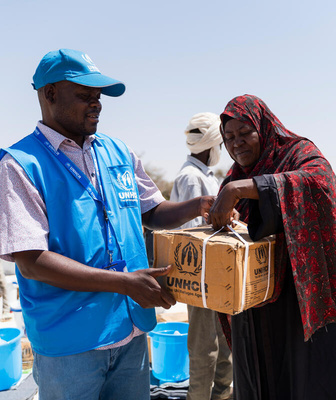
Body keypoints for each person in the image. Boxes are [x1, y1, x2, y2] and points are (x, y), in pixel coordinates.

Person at [0, 49, 214, 400]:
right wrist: (124, 283)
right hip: (70, 344)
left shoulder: (117, 152)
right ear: (50, 94)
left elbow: (153, 212)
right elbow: (31, 262)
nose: (96, 104)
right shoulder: (21, 165)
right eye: (85, 96)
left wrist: (201, 205)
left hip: (130, 329)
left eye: (98, 97)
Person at [208, 94, 336, 400]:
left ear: (264, 128)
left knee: (316, 382)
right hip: (260, 309)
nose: (237, 143)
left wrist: (244, 189)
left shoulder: (298, 153)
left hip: (309, 300)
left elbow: (321, 181)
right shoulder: (234, 176)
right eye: (229, 137)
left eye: (245, 133)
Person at [170, 112, 233, 400]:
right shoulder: (191, 178)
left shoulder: (205, 175)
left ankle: (221, 395)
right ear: (212, 145)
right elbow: (194, 234)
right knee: (204, 349)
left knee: (222, 344)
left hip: (216, 278)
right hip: (202, 276)